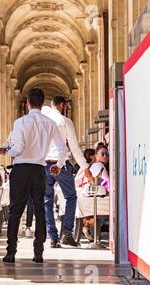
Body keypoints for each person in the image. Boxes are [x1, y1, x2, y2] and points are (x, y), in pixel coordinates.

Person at [0, 88, 67, 264]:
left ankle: (11, 252)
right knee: (40, 210)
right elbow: (62, 148)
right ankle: (38, 252)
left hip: (21, 170)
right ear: (42, 103)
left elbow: (18, 148)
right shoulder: (50, 123)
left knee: (15, 211)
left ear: (27, 104)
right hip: (39, 171)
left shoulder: (21, 122)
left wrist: (5, 152)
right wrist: (58, 165)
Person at [42, 96, 94, 248]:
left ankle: (52, 237)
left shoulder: (43, 119)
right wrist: (86, 170)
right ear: (63, 106)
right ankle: (67, 233)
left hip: (44, 165)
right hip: (61, 165)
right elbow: (75, 149)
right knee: (71, 197)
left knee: (47, 201)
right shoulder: (65, 121)